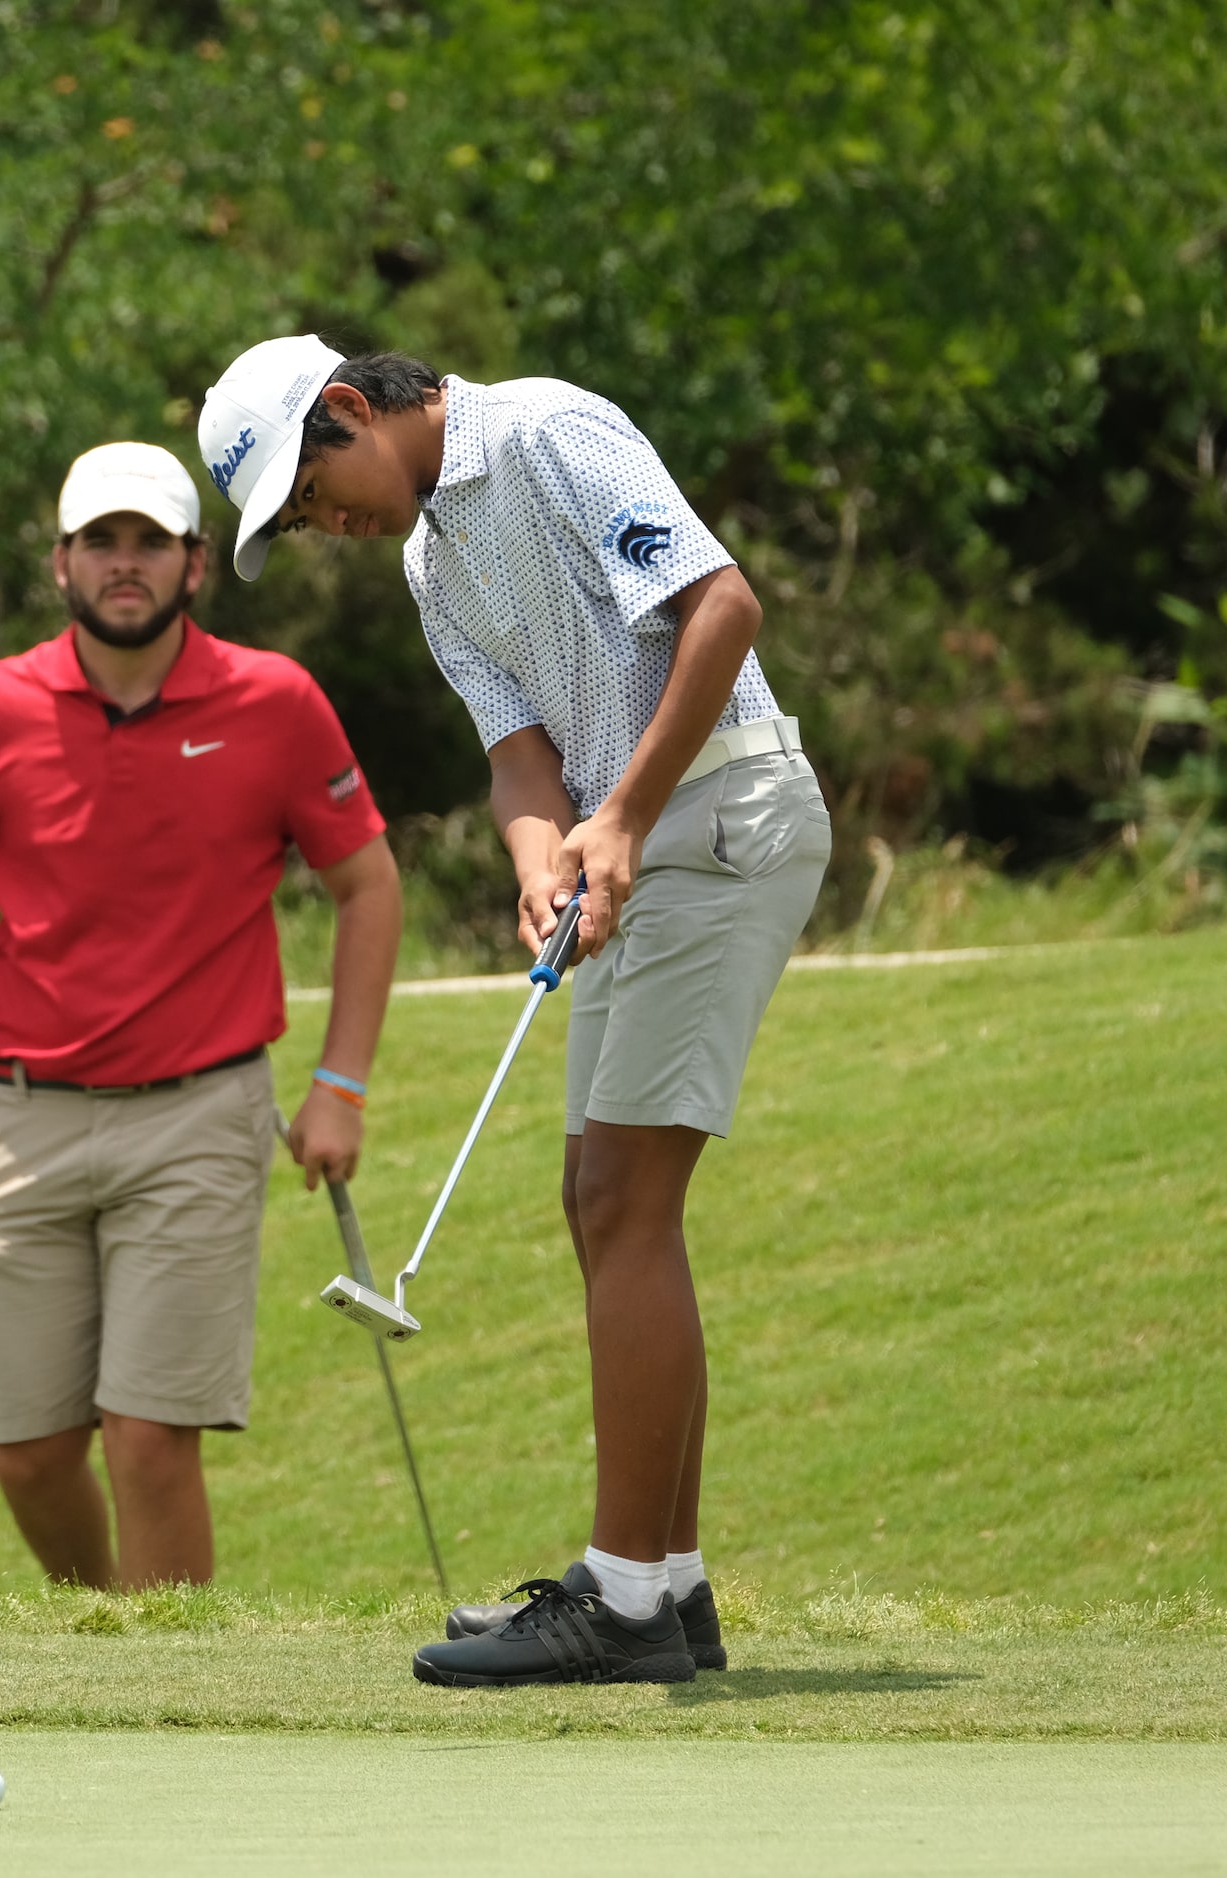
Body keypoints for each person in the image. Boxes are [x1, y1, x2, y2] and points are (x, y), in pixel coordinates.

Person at [199, 337, 830, 1682]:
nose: (330, 531)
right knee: (591, 1195)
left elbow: (722, 608)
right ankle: (672, 1581)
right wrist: (542, 856)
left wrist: (624, 818)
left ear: (350, 409)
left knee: (622, 1200)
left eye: (315, 499)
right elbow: (517, 759)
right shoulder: (433, 561)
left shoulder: (545, 428)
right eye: (302, 527)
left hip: (723, 814)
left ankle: (621, 1605)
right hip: (641, 836)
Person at [0, 440, 402, 1588]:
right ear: (59, 563)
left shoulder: (274, 701)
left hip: (199, 1113)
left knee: (152, 1442)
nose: (124, 564)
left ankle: (167, 1689)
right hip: (25, 1116)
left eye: (150, 541)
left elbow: (366, 881)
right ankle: (104, 1640)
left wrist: (341, 1083)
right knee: (31, 1453)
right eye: (100, 541)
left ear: (196, 565)